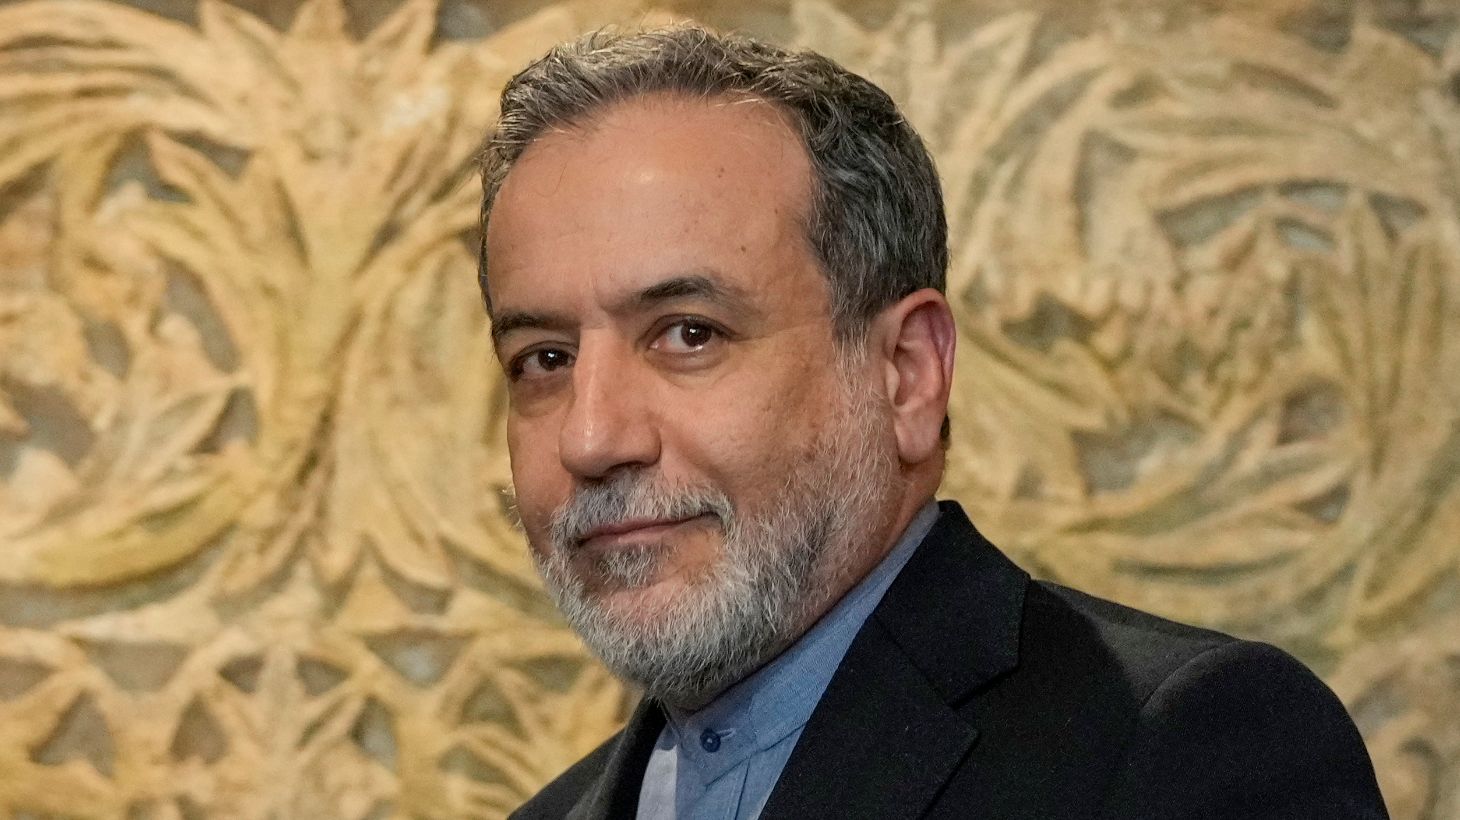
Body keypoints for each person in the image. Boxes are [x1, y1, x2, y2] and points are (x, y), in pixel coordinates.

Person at [476, 23, 1388, 820]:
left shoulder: (1177, 749)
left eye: (689, 334)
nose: (591, 438)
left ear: (906, 375)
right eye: (544, 359)